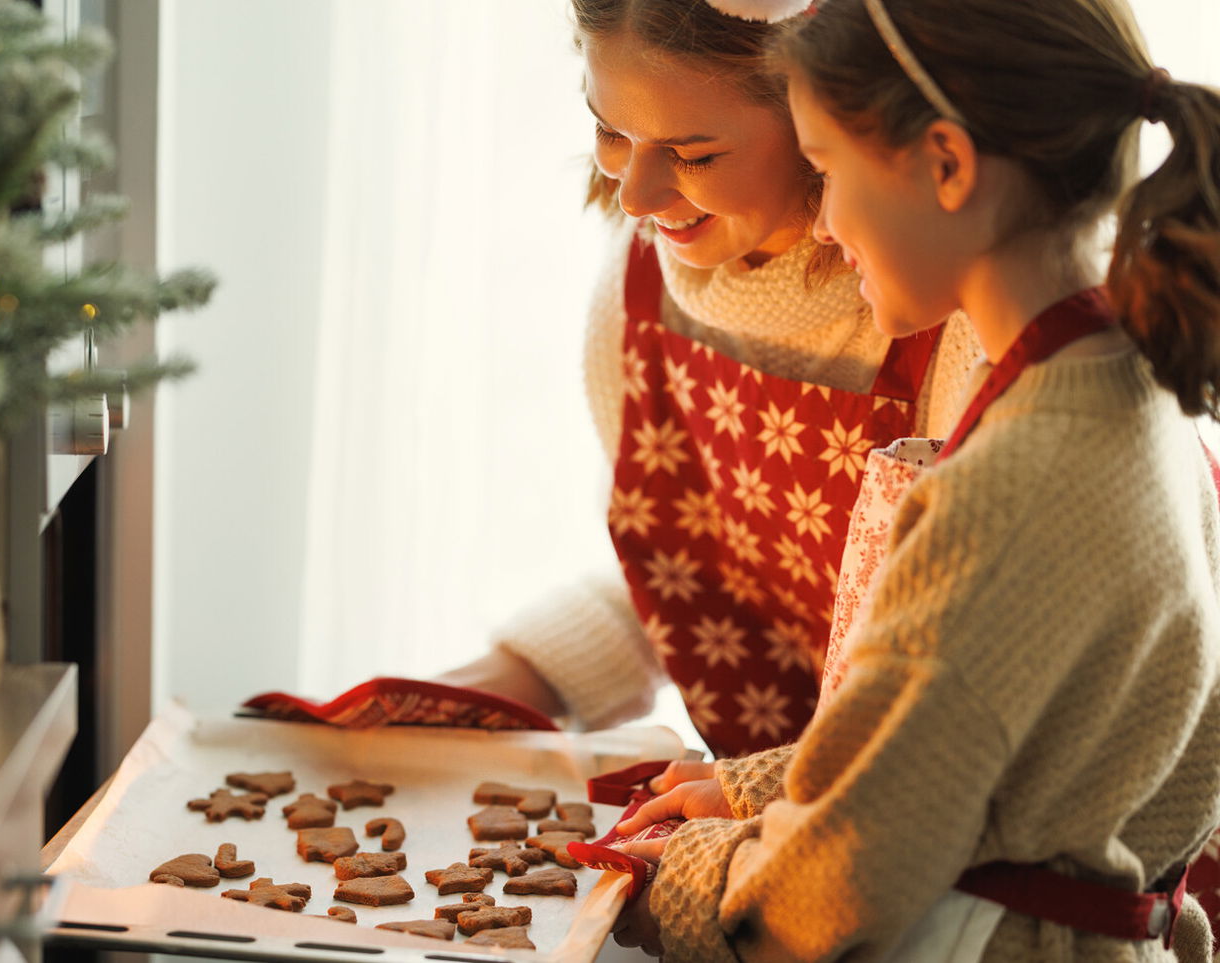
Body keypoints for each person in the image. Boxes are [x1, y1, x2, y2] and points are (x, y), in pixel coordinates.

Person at [606, 0, 1220, 958]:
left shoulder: (1009, 487)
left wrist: (674, 879)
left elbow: (836, 891)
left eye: (830, 170)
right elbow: (990, 739)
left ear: (946, 165)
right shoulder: (1129, 386)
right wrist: (764, 787)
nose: (827, 217)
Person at [436, 0, 984, 761]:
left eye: (693, 154)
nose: (636, 196)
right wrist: (496, 682)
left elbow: (981, 679)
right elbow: (691, 580)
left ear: (825, 122)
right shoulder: (638, 284)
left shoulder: (951, 318)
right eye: (609, 132)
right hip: (786, 808)